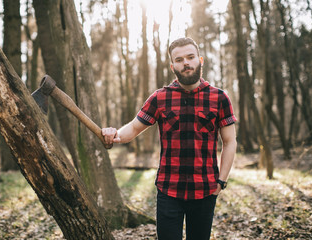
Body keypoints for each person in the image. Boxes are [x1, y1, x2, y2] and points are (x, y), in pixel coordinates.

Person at [102, 37, 237, 240]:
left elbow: (229, 142)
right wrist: (114, 134)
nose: (186, 63)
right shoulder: (160, 98)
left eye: (190, 57)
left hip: (206, 190)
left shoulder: (219, 98)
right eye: (180, 59)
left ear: (200, 60)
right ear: (172, 66)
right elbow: (133, 127)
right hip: (168, 190)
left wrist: (222, 181)